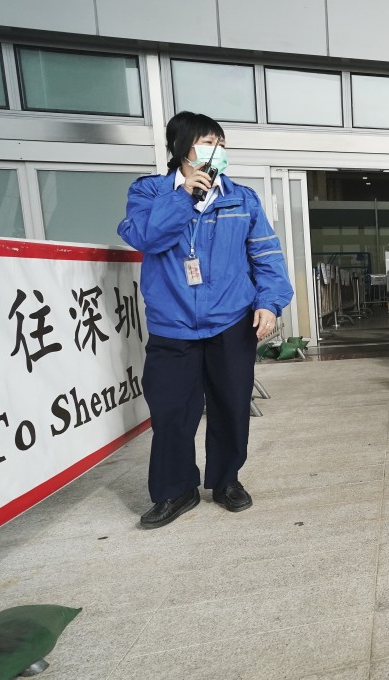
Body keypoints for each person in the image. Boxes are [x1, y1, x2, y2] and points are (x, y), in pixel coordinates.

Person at [117, 111, 293, 529]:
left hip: (231, 321)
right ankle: (176, 490)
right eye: (207, 143)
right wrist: (181, 197)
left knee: (231, 405)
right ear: (182, 148)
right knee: (172, 411)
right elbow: (143, 236)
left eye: (221, 143)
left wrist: (269, 303)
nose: (217, 151)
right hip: (172, 324)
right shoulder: (148, 192)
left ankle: (226, 480)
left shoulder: (241, 198)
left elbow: (266, 256)